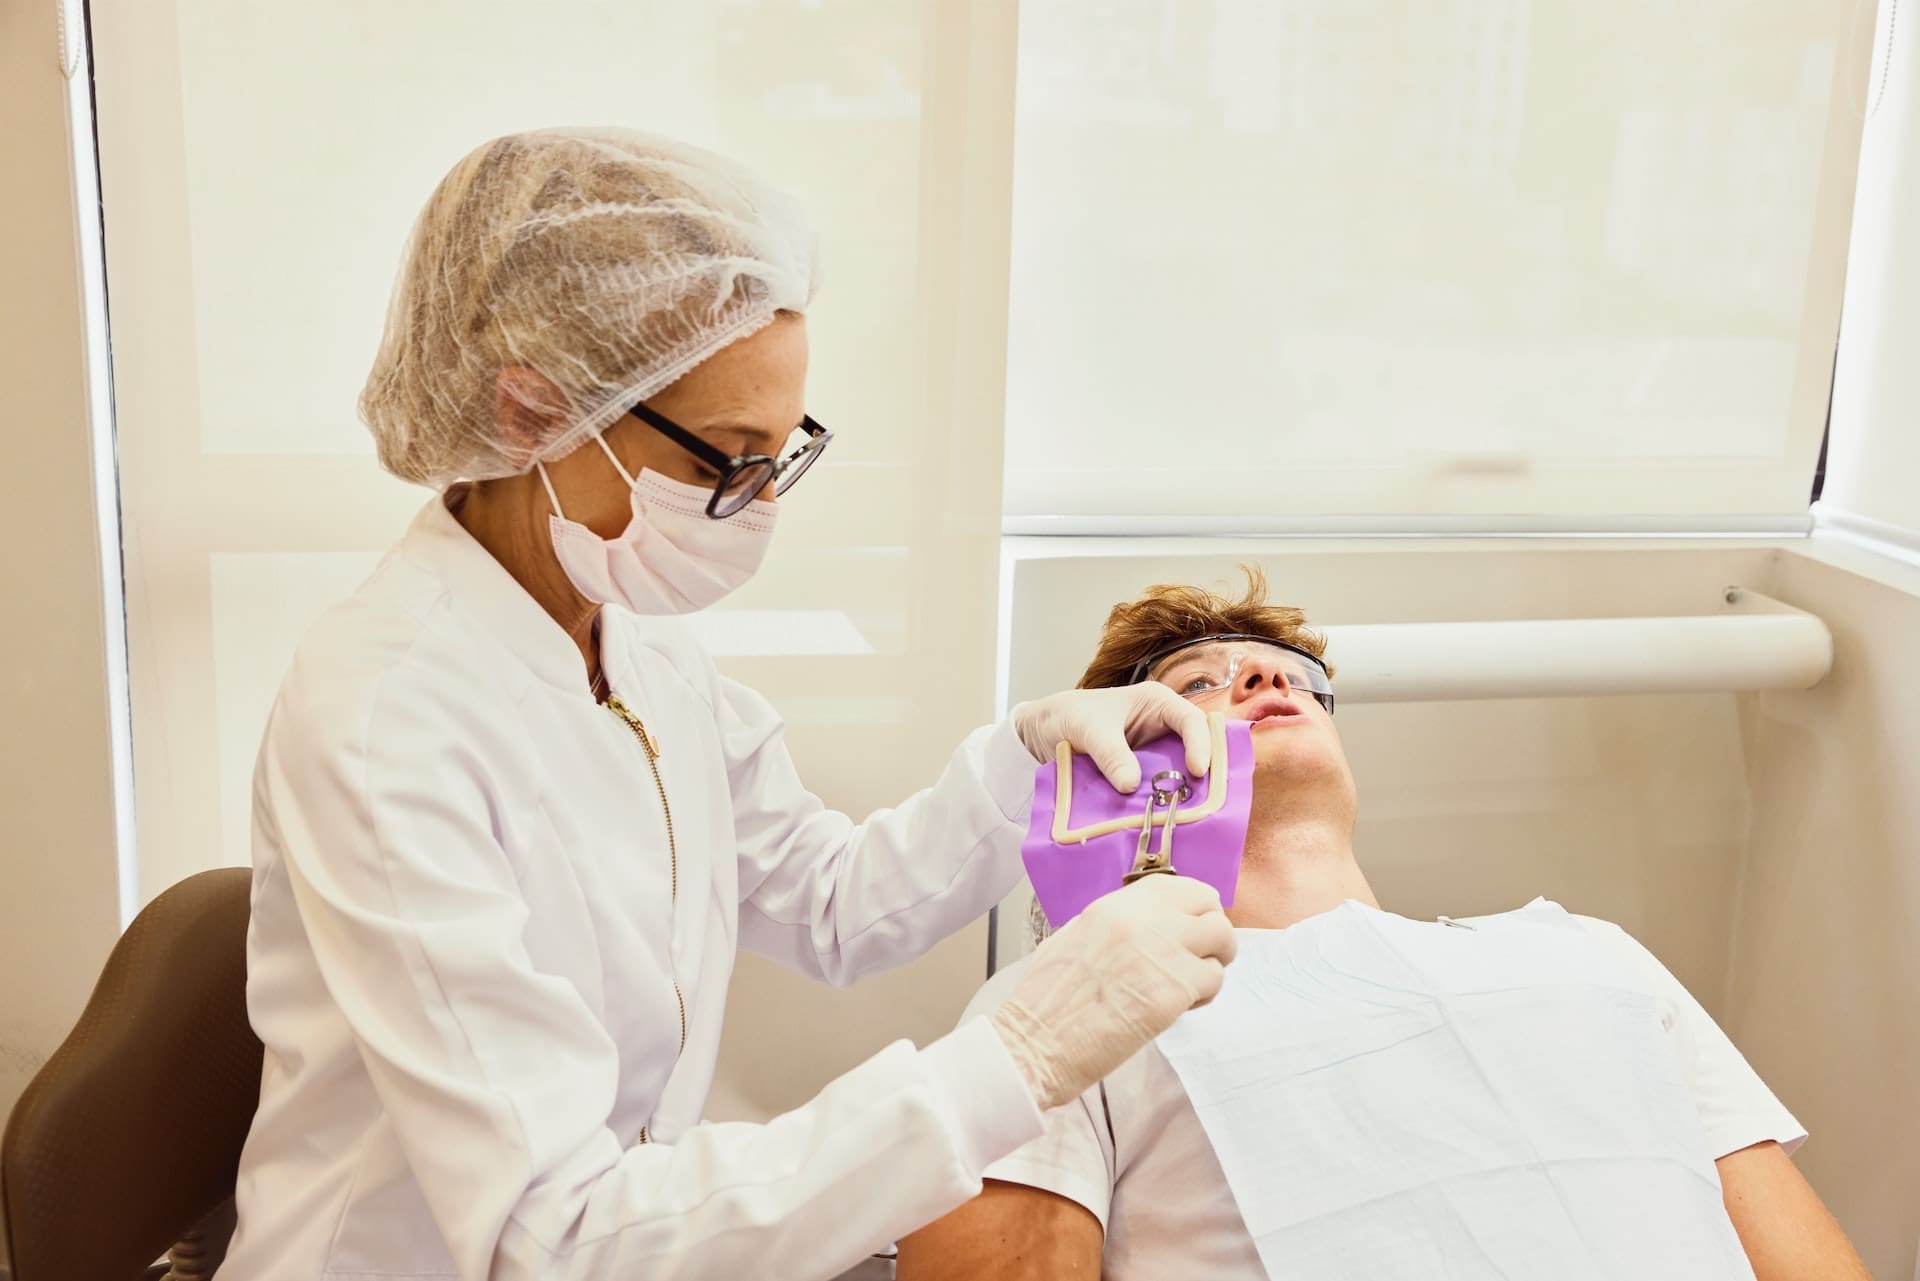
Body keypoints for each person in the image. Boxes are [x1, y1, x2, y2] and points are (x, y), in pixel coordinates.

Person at [222, 128, 1238, 1281]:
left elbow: (833, 902)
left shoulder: (630, 632)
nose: (757, 506)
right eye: (723, 458)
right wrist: (1021, 1054)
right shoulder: (385, 725)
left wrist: (1030, 761)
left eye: (780, 452)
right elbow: (548, 1234)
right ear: (529, 413)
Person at [898, 568, 1872, 1281]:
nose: (1265, 679)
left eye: (1289, 674)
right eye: (1198, 683)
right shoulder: (1078, 1006)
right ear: (1117, 765)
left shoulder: (1595, 954)